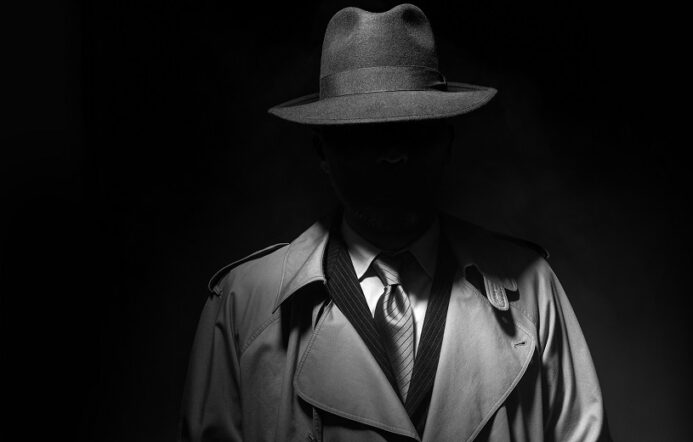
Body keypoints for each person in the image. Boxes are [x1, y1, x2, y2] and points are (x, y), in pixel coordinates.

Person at [179, 3, 611, 441]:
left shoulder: (532, 289)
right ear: (322, 152)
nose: (393, 153)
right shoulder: (241, 305)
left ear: (447, 140)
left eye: (414, 128)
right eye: (365, 134)